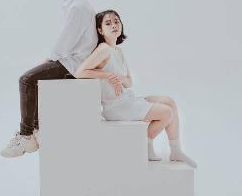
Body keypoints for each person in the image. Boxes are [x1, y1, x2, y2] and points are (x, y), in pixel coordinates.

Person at [75, 10, 197, 167]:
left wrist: (118, 78)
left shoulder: (117, 51)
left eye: (116, 21)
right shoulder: (103, 49)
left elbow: (129, 82)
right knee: (166, 112)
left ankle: (175, 150)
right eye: (108, 23)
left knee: (169, 102)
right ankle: (145, 145)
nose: (114, 25)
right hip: (116, 106)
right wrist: (107, 75)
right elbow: (80, 72)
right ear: (100, 30)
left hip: (127, 99)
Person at [0, 0, 98, 158]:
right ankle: (36, 130)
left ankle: (26, 135)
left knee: (26, 80)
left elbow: (67, 40)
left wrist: (50, 58)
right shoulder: (76, 5)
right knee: (33, 80)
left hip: (73, 64)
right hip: (72, 60)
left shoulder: (78, 7)